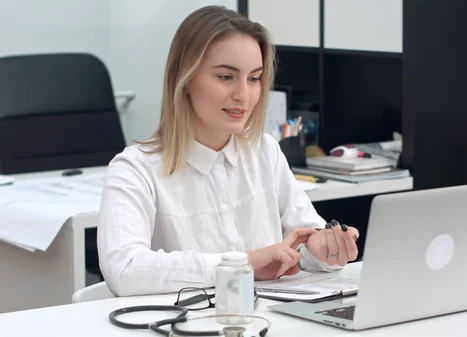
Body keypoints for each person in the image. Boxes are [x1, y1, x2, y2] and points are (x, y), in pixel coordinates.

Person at [97, 5, 360, 297]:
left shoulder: (264, 151)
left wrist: (324, 250)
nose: (243, 95)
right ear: (185, 79)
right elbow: (125, 270)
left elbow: (303, 246)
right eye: (225, 77)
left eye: (253, 78)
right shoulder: (135, 169)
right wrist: (242, 264)